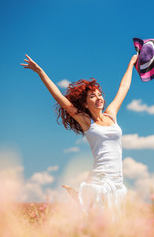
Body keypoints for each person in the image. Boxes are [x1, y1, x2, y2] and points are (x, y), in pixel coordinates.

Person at [20, 53, 138, 218]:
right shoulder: (87, 122)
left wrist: (131, 64)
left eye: (99, 94)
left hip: (118, 177)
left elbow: (123, 88)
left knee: (116, 220)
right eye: (92, 96)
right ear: (84, 103)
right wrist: (40, 72)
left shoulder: (111, 114)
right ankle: (82, 200)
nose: (98, 98)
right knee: (101, 219)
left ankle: (80, 199)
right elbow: (59, 98)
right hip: (102, 176)